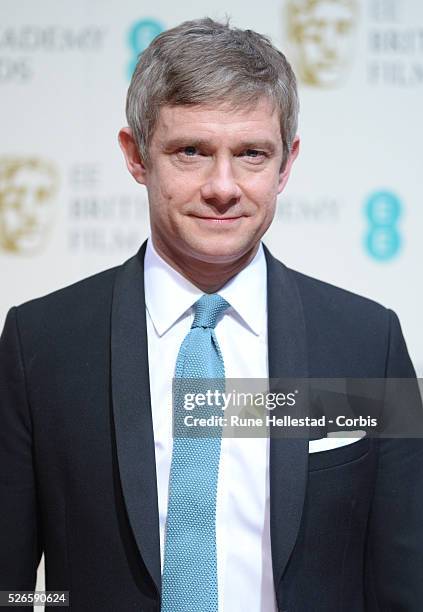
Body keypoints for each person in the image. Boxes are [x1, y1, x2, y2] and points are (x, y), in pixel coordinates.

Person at [0, 17, 422, 612]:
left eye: (251, 154)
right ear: (136, 156)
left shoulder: (367, 342)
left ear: (287, 164)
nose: (222, 187)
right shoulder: (39, 344)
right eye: (191, 151)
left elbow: (405, 584)